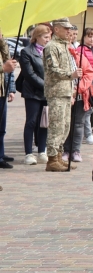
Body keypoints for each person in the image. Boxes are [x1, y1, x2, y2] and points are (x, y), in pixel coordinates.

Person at [43, 19, 80, 172]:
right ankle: (52, 159)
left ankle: (58, 156)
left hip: (65, 91)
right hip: (56, 91)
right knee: (56, 127)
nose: (69, 32)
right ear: (56, 29)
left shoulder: (65, 46)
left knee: (65, 127)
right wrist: (70, 75)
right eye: (66, 29)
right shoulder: (52, 46)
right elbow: (53, 70)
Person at [20, 24, 51, 165]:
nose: (47, 40)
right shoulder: (27, 52)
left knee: (44, 122)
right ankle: (28, 153)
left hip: (47, 93)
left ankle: (42, 151)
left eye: (49, 37)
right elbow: (29, 74)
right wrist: (46, 85)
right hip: (33, 92)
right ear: (37, 37)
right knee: (31, 121)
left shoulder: (49, 51)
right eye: (45, 37)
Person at [63, 36, 93, 162]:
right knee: (66, 123)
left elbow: (88, 74)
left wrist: (78, 89)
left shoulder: (79, 55)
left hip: (80, 96)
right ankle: (66, 150)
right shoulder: (59, 56)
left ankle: (76, 150)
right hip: (65, 94)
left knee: (78, 124)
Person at [76, 28, 93, 145]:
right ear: (83, 37)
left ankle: (90, 132)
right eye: (89, 36)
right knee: (87, 109)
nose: (92, 39)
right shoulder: (80, 50)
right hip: (87, 83)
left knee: (92, 109)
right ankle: (88, 133)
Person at [0, 30, 18, 168]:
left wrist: (2, 41)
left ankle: (0, 153)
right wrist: (2, 68)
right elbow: (4, 67)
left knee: (1, 127)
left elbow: (7, 60)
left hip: (1, 91)